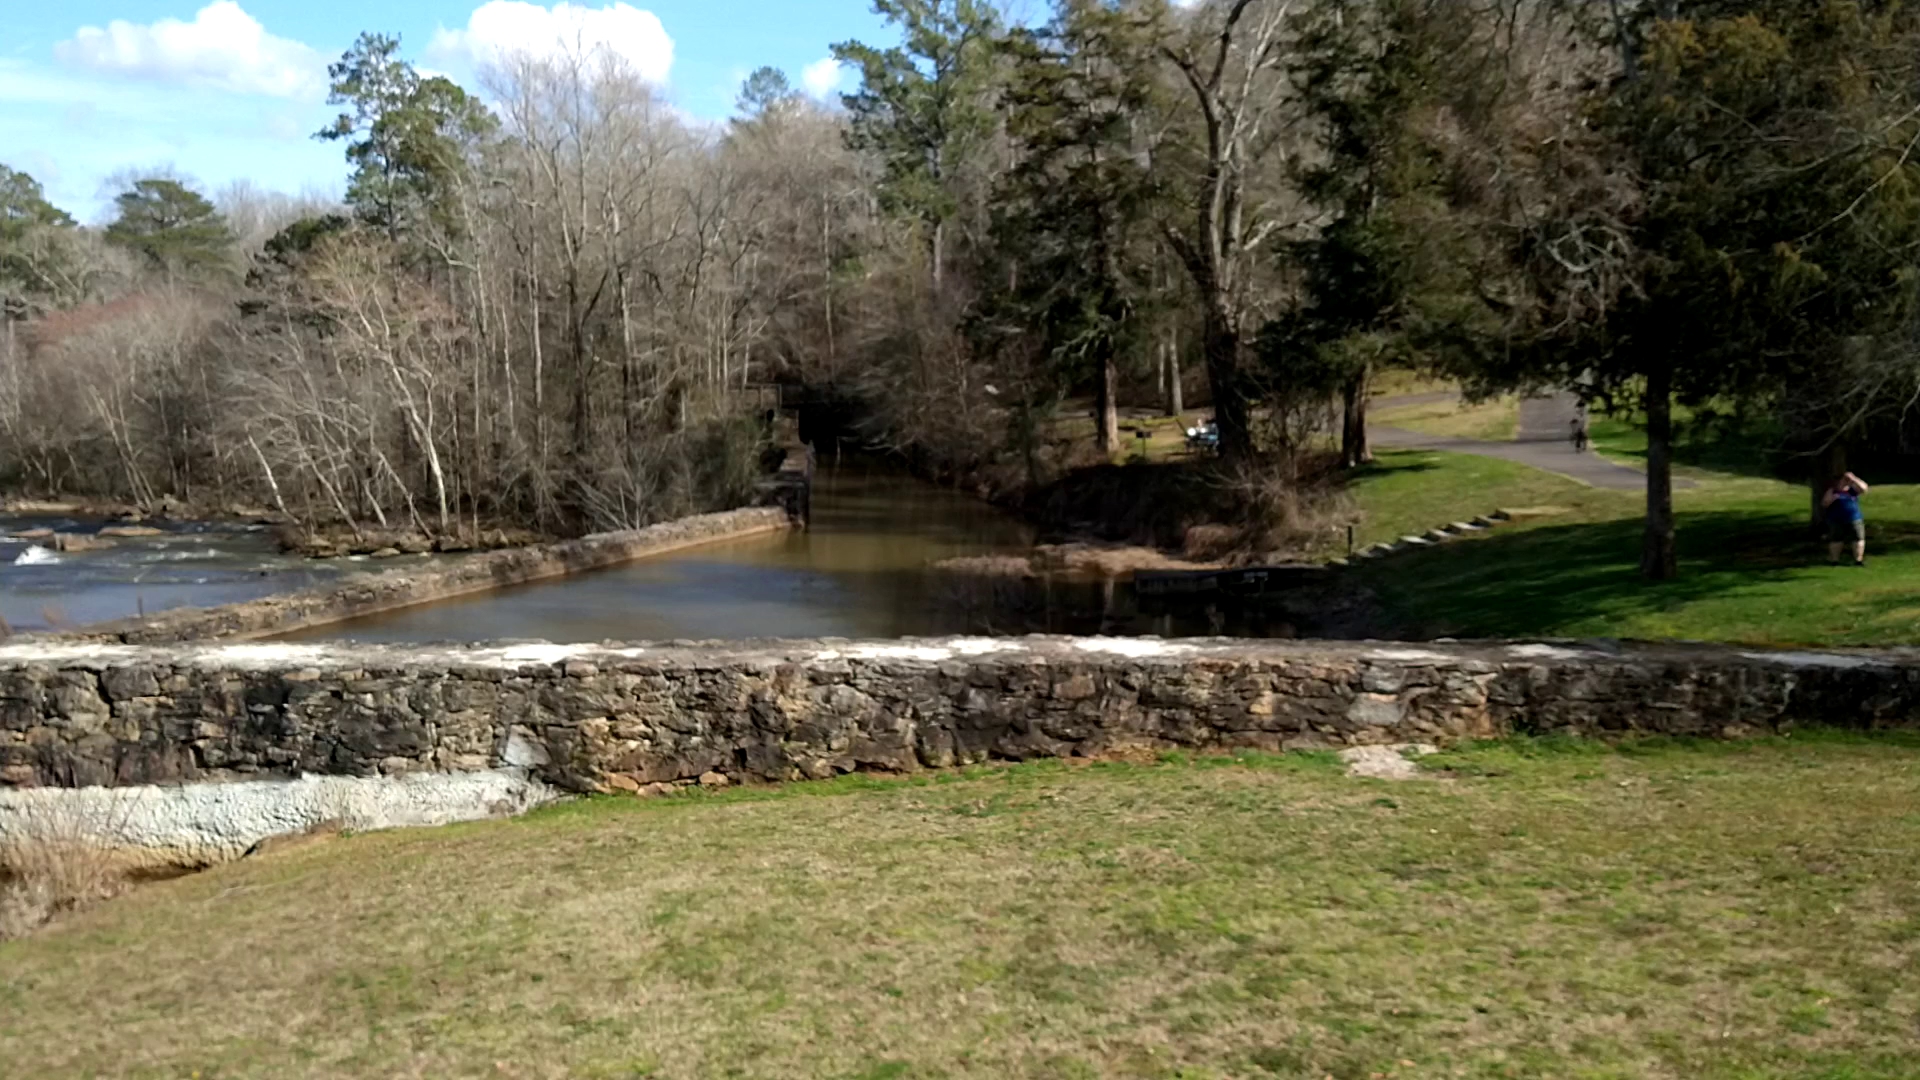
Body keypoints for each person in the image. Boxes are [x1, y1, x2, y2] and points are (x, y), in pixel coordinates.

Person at [1822, 472, 1871, 566]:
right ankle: (1834, 560)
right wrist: (1832, 499)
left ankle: (1858, 560)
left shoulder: (1853, 491)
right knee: (1836, 539)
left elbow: (1864, 488)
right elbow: (1824, 503)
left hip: (1854, 518)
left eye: (1846, 480)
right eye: (1843, 480)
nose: (1845, 482)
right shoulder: (1832, 491)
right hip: (1836, 519)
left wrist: (1854, 478)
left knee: (1858, 538)